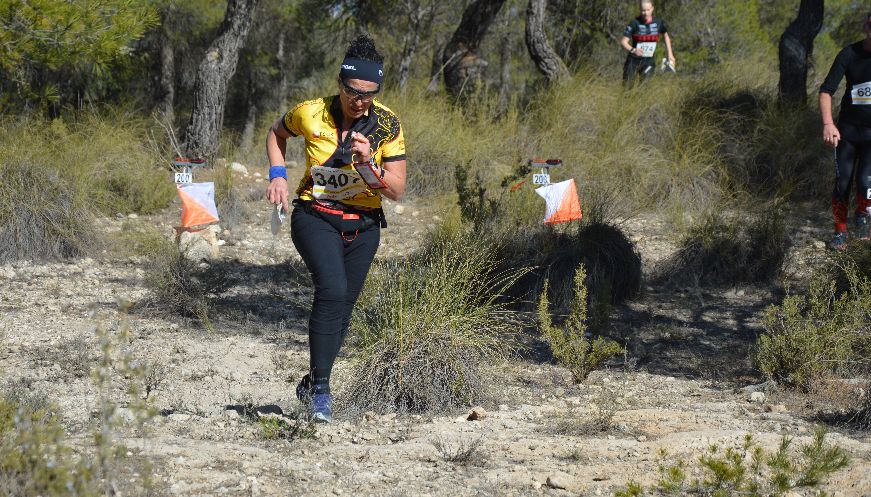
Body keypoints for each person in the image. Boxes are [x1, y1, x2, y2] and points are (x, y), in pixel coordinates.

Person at [265, 35, 407, 422]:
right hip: (316, 215)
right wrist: (278, 174)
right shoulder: (310, 112)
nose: (359, 100)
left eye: (368, 93)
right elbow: (276, 134)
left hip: (364, 225)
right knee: (332, 289)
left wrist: (368, 165)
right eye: (351, 91)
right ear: (339, 83)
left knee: (343, 308)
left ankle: (313, 381)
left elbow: (395, 190)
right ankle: (322, 395)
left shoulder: (387, 124)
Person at [820, 12, 871, 249]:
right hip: (848, 132)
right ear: (866, 27)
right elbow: (826, 90)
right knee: (842, 182)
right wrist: (828, 124)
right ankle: (840, 232)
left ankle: (863, 221)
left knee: (866, 182)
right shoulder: (849, 54)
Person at [619, 0, 675, 87]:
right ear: (640, 10)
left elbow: (666, 36)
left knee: (644, 87)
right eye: (643, 10)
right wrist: (633, 50)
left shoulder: (658, 23)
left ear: (652, 9)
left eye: (648, 10)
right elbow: (623, 42)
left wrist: (670, 54)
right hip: (633, 61)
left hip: (648, 61)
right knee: (627, 87)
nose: (645, 13)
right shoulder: (634, 23)